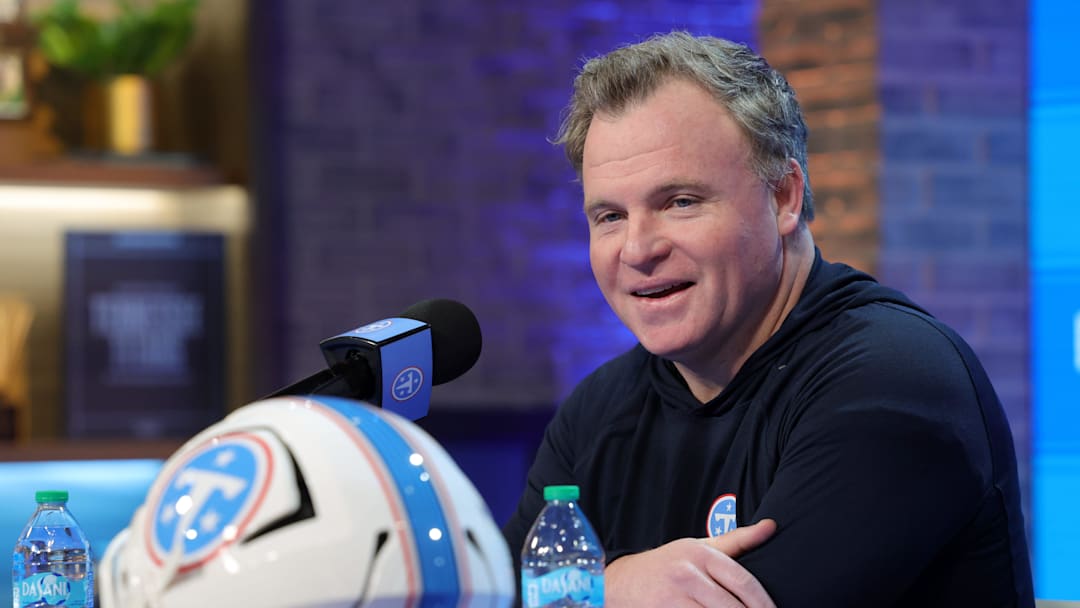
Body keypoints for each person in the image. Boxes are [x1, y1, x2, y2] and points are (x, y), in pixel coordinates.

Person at [502, 31, 1035, 607]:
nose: (636, 248)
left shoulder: (894, 379)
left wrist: (576, 592)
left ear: (783, 197)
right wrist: (618, 587)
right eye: (609, 215)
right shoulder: (600, 411)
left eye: (680, 202)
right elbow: (484, 593)